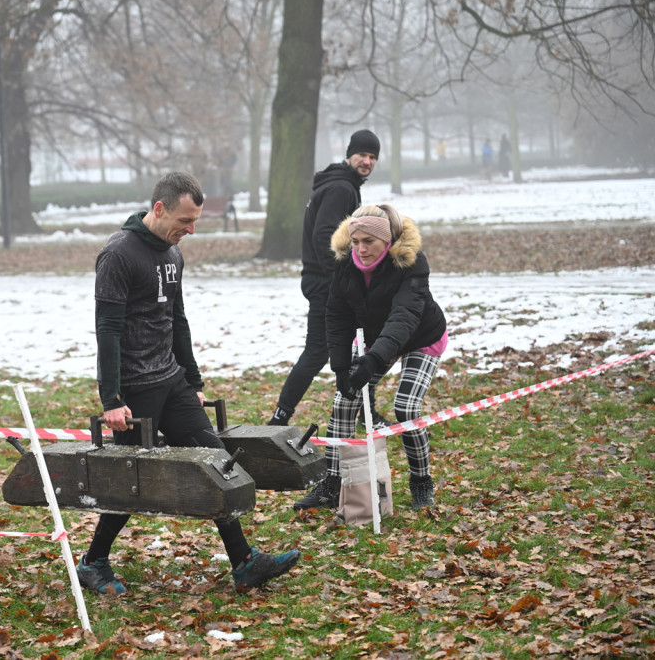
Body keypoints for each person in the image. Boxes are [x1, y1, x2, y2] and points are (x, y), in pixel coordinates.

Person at [77, 171, 300, 595]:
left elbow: (177, 320)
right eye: (185, 220)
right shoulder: (118, 254)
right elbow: (107, 329)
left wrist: (193, 379)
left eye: (195, 221)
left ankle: (244, 562)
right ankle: (93, 562)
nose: (191, 230)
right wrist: (112, 399)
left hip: (172, 381)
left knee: (217, 463)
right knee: (130, 483)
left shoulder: (173, 254)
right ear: (159, 209)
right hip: (135, 390)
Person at [293, 203, 448, 512]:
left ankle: (421, 482)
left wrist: (374, 360)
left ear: (386, 240)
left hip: (422, 337)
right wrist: (340, 368)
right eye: (355, 241)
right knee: (344, 402)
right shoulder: (345, 264)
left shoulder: (411, 262)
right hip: (376, 338)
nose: (361, 249)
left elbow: (404, 316)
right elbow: (337, 316)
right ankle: (333, 483)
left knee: (406, 408)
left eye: (369, 241)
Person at [268, 129, 389, 428]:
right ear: (350, 155)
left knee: (358, 345)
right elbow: (324, 235)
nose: (367, 161)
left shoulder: (341, 184)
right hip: (326, 283)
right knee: (318, 351)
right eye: (362, 155)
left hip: (322, 280)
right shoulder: (341, 189)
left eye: (372, 157)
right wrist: (341, 280)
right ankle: (279, 418)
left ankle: (365, 415)